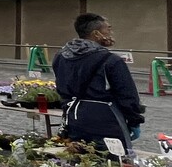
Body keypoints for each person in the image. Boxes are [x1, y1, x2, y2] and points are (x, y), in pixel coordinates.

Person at [52, 13, 144, 151]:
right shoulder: (111, 61)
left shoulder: (61, 57)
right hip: (107, 122)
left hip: (74, 119)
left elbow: (61, 89)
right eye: (108, 29)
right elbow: (127, 95)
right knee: (113, 160)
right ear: (96, 33)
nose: (111, 33)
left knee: (79, 158)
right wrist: (134, 121)